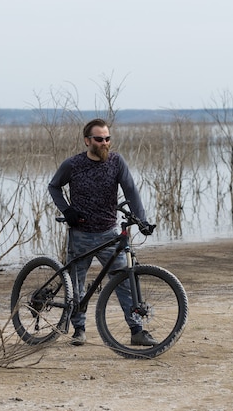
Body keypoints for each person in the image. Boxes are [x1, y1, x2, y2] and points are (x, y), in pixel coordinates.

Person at [48, 118, 158, 347]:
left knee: (125, 281)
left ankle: (136, 330)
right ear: (88, 141)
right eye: (99, 139)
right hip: (80, 235)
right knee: (76, 285)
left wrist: (143, 221)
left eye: (108, 138)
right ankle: (79, 329)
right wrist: (66, 209)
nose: (105, 143)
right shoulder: (73, 164)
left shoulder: (117, 162)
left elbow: (131, 191)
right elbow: (54, 186)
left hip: (109, 233)